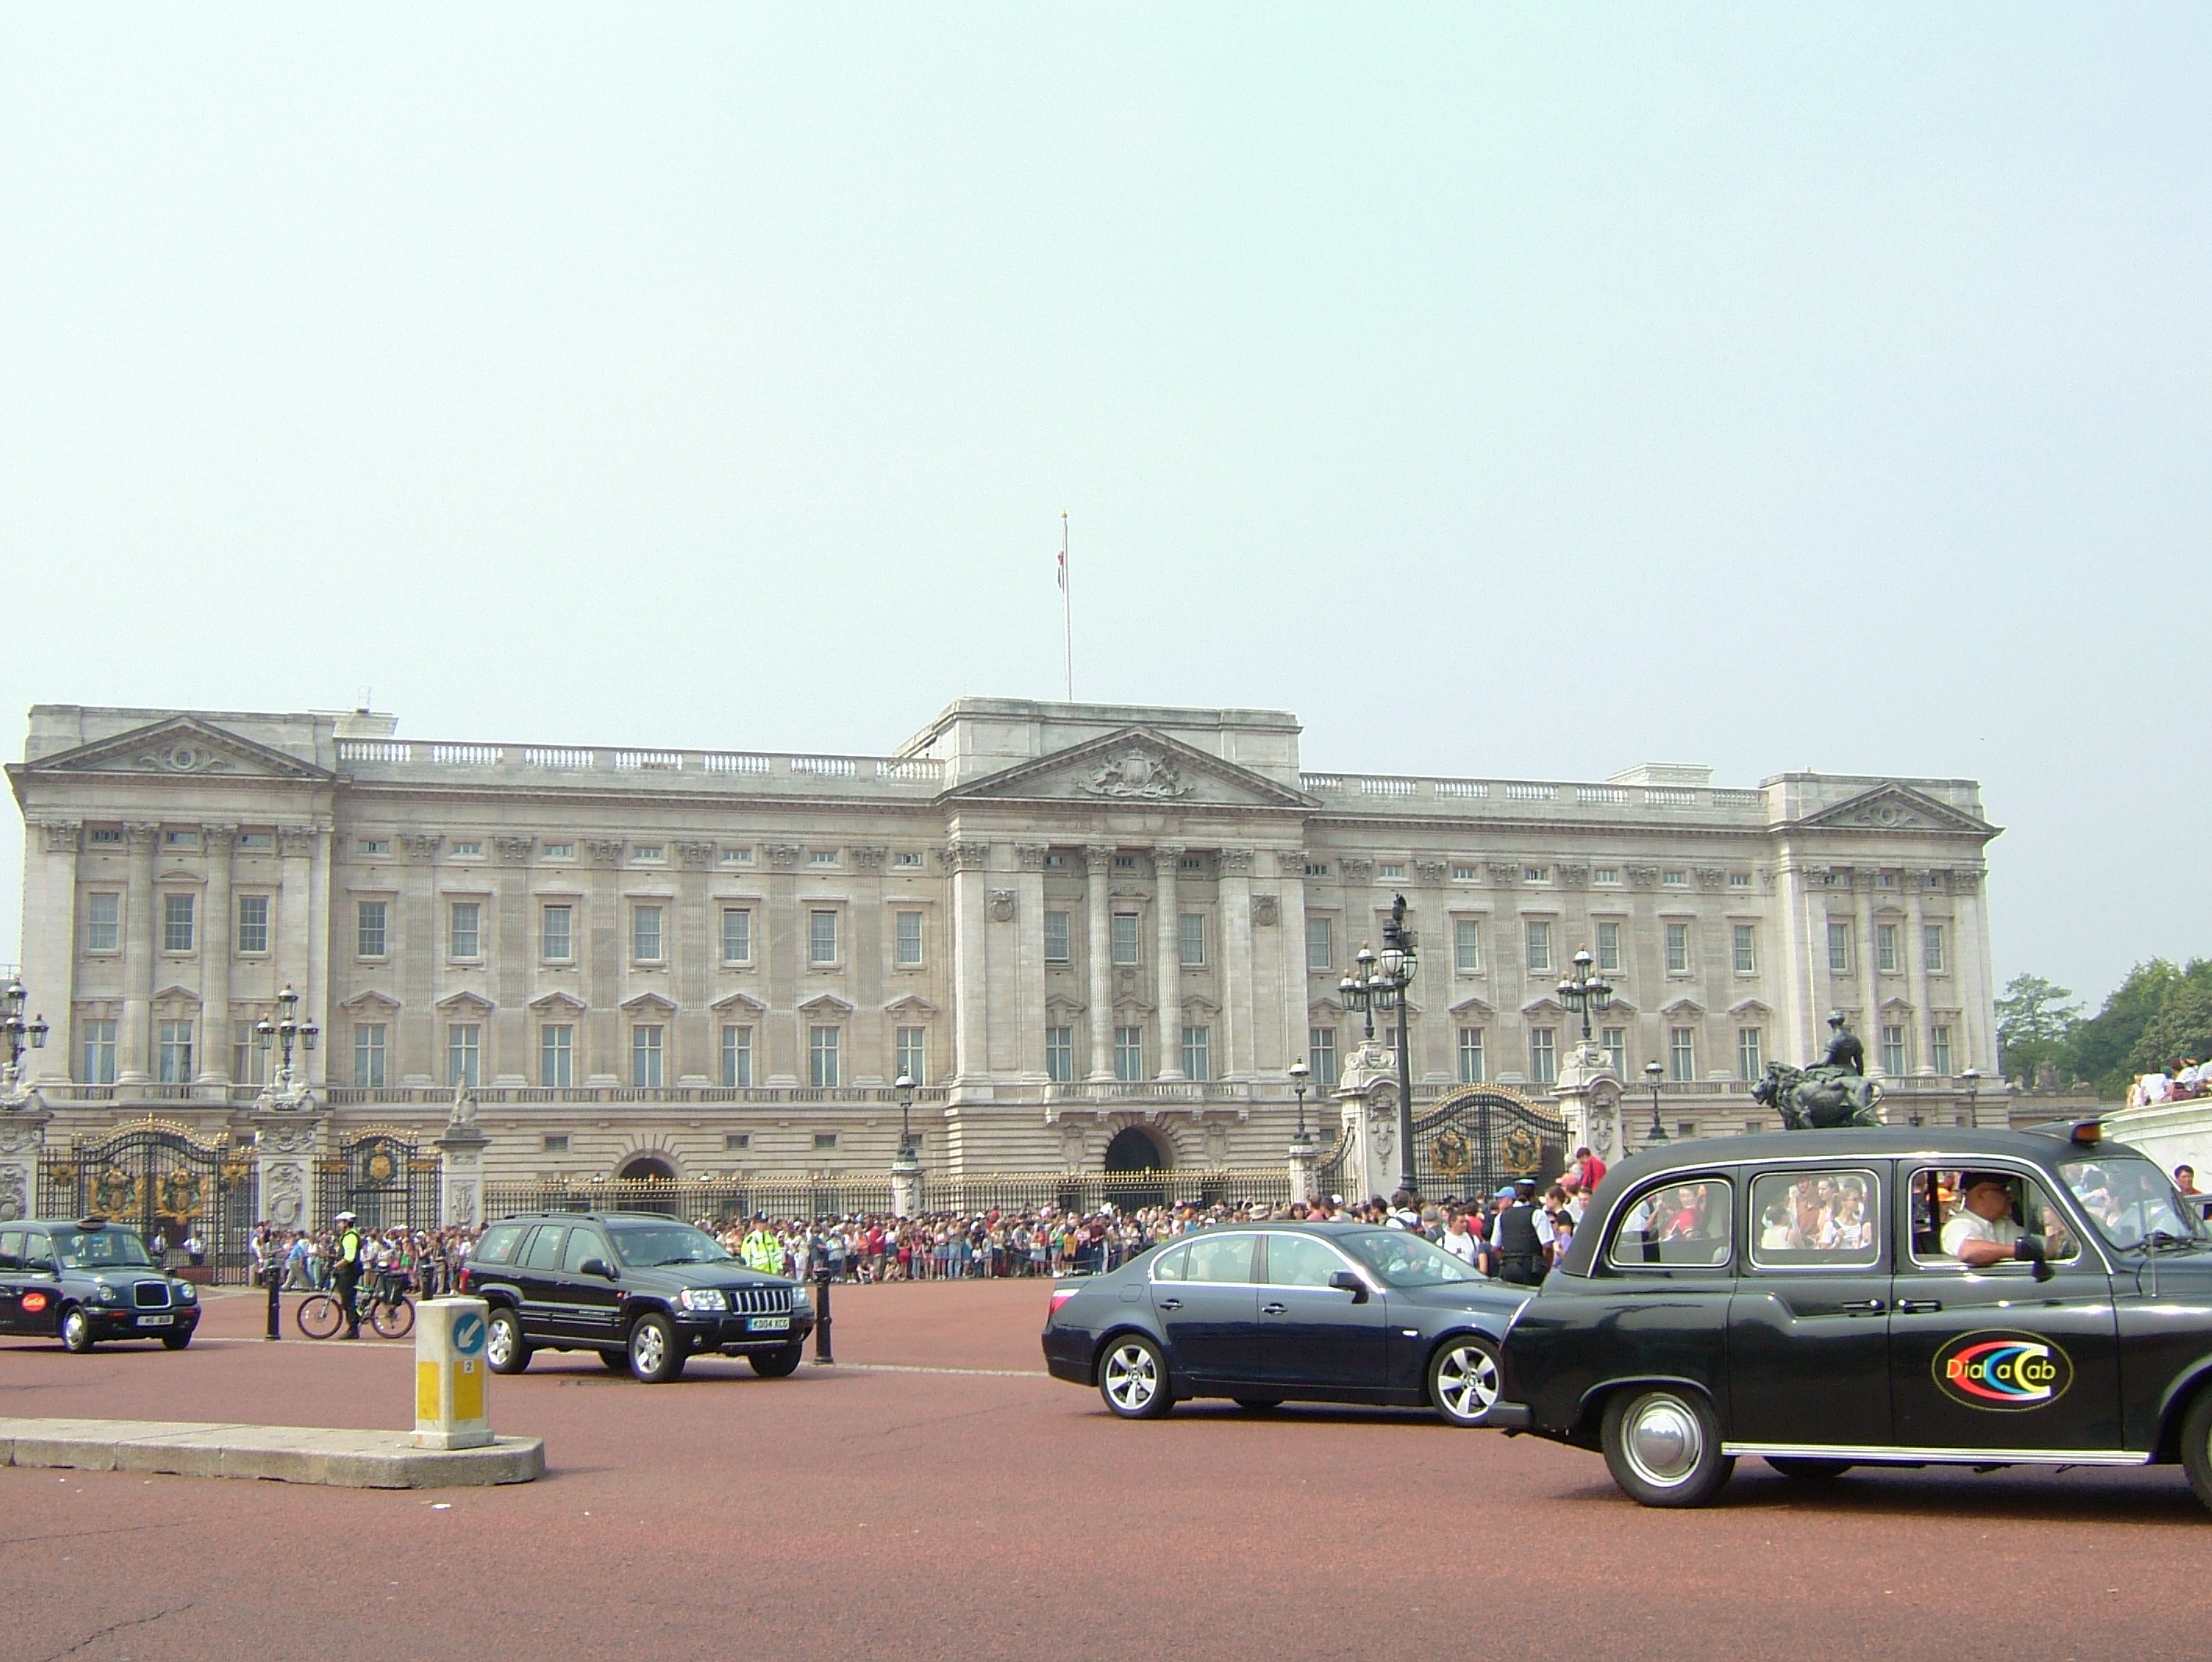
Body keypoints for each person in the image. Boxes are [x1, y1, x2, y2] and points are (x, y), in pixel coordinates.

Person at [1940, 1172, 2031, 1268]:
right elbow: (1969, 1251)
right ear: (1979, 1194)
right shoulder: (1958, 1224)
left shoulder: (2005, 1223)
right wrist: (2019, 1250)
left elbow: (2036, 1243)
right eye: (2002, 1190)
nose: (2010, 1196)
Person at [330, 1211, 365, 1339]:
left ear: (346, 1223)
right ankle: (354, 1322)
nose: (339, 1225)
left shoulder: (350, 1237)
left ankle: (353, 1329)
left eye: (340, 1222)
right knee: (348, 1300)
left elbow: (349, 1257)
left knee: (348, 1300)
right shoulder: (349, 1235)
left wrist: (336, 1266)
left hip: (349, 1272)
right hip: (348, 1271)